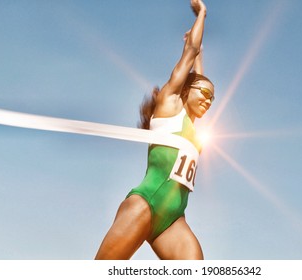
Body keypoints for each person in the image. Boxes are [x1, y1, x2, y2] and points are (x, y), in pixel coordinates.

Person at [95, 0, 214, 260]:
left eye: (212, 98)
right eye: (204, 93)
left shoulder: (193, 127)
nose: (208, 99)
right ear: (186, 90)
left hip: (173, 221)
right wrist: (202, 15)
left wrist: (200, 56)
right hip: (145, 206)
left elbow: (197, 73)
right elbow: (190, 55)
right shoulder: (170, 105)